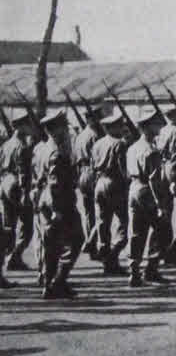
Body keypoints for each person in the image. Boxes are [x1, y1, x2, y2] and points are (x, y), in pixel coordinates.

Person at [33, 110, 84, 299]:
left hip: (46, 199)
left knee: (51, 244)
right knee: (77, 239)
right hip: (59, 201)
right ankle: (58, 281)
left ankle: (49, 284)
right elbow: (55, 183)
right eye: (63, 127)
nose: (66, 131)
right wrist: (56, 210)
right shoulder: (56, 153)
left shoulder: (42, 148)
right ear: (56, 130)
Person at [126, 110, 170, 287]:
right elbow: (154, 179)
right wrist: (160, 204)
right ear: (147, 128)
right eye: (156, 124)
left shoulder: (132, 148)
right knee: (163, 231)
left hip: (134, 188)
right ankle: (151, 270)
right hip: (147, 192)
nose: (159, 126)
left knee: (136, 232)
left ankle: (134, 272)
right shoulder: (151, 151)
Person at [88, 112, 130, 275]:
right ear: (113, 128)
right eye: (120, 125)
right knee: (123, 224)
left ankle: (105, 256)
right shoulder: (120, 144)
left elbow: (92, 165)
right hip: (115, 184)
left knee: (102, 223)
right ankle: (111, 258)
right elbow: (123, 169)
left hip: (100, 182)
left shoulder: (98, 143)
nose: (123, 128)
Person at [0, 112, 35, 279]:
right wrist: (25, 194)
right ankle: (14, 256)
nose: (30, 128)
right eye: (27, 125)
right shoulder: (21, 146)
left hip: (4, 182)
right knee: (27, 225)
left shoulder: (6, 145)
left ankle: (8, 256)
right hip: (16, 185)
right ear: (20, 127)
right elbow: (23, 172)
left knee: (9, 225)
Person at [71, 104, 103, 260]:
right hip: (93, 173)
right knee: (103, 211)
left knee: (89, 213)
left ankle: (92, 248)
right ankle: (91, 242)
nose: (100, 119)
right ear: (92, 118)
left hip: (82, 174)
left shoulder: (80, 136)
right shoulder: (95, 135)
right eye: (97, 117)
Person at [155, 105, 176, 267]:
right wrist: (175, 178)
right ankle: (175, 249)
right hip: (174, 171)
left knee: (165, 212)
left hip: (162, 170)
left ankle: (162, 249)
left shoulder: (162, 131)